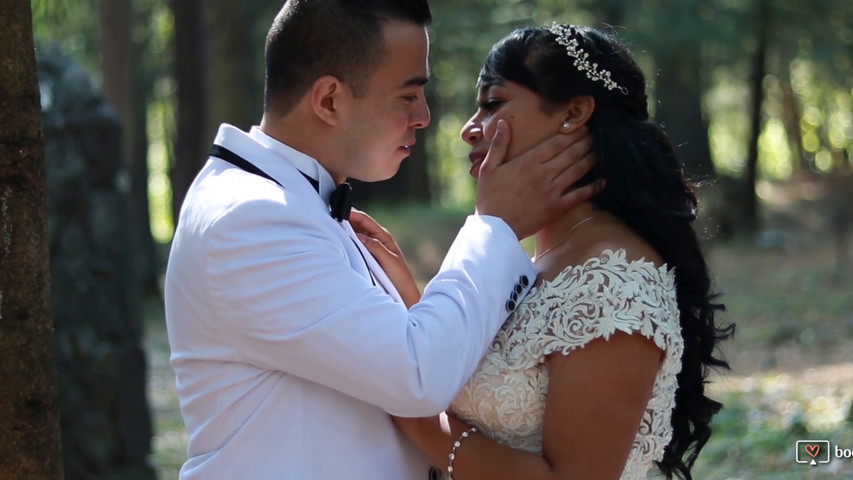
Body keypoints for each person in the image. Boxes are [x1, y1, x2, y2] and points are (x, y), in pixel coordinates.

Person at [163, 1, 601, 478]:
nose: (425, 117)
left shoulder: (297, 203)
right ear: (329, 100)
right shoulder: (250, 217)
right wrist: (494, 226)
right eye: (408, 95)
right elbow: (417, 376)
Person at [355, 23, 735, 480]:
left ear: (573, 113)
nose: (469, 131)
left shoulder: (610, 281)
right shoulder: (534, 263)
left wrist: (412, 415)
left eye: (492, 104)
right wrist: (412, 306)